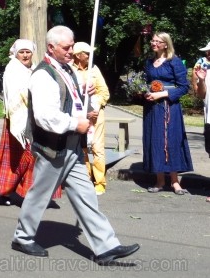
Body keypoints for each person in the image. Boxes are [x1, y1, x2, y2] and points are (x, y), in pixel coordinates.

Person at [12, 25, 139, 265]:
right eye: (67, 47)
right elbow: (44, 116)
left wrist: (82, 92)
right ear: (51, 47)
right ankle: (23, 237)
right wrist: (75, 124)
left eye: (72, 46)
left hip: (71, 145)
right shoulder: (42, 75)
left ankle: (106, 247)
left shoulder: (65, 69)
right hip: (53, 146)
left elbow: (68, 101)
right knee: (40, 194)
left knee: (86, 196)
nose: (72, 51)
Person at [0, 40, 43, 204]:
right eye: (21, 52)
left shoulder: (35, 68)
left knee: (32, 156)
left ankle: (28, 192)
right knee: (14, 157)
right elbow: (15, 92)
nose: (25, 55)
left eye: (28, 52)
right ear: (16, 53)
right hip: (17, 119)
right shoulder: (13, 69)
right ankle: (6, 190)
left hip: (33, 119)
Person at [143, 32, 192, 194]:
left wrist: (162, 94)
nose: (154, 43)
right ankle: (159, 181)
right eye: (153, 40)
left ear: (166, 44)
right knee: (155, 140)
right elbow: (146, 82)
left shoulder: (174, 62)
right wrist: (143, 92)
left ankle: (175, 181)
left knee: (171, 140)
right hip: (152, 108)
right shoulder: (149, 63)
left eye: (158, 41)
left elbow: (184, 87)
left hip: (170, 107)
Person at [71, 42, 110, 195]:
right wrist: (84, 112)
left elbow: (104, 92)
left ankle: (100, 182)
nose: (89, 56)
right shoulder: (69, 70)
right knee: (82, 148)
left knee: (97, 148)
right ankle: (85, 180)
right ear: (78, 55)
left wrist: (95, 108)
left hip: (97, 115)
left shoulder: (94, 69)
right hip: (79, 115)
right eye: (86, 53)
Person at [193, 48, 209, 202]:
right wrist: (202, 80)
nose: (208, 54)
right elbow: (201, 94)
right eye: (208, 52)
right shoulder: (204, 70)